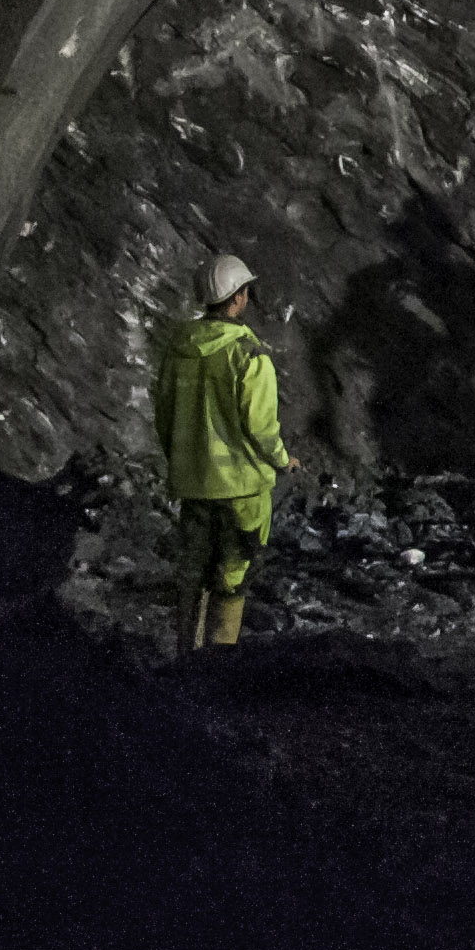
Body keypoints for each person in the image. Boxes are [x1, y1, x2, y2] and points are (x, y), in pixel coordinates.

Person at [152, 253, 291, 658]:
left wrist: (184, 462)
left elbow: (165, 417)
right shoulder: (249, 354)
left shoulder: (177, 350)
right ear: (239, 296)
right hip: (242, 492)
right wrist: (284, 462)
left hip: (194, 485)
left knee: (191, 577)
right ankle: (218, 667)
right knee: (231, 578)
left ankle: (185, 665)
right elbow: (262, 428)